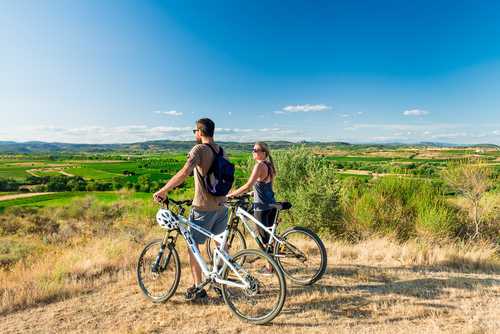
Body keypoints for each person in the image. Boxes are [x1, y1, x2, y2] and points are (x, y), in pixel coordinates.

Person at [153, 118, 228, 301]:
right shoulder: (221, 150)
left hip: (203, 207)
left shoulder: (199, 149)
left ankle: (198, 288)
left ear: (200, 132)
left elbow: (184, 172)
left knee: (193, 246)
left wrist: (164, 190)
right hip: (222, 206)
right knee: (220, 246)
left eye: (195, 130)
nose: (195, 133)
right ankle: (219, 281)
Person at [227, 142, 276, 273]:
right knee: (270, 238)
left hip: (261, 207)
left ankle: (269, 268)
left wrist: (231, 194)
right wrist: (252, 192)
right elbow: (264, 186)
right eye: (253, 149)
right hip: (271, 204)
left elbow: (248, 185)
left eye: (256, 150)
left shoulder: (259, 166)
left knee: (264, 240)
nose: (253, 151)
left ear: (263, 153)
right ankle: (273, 265)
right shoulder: (269, 165)